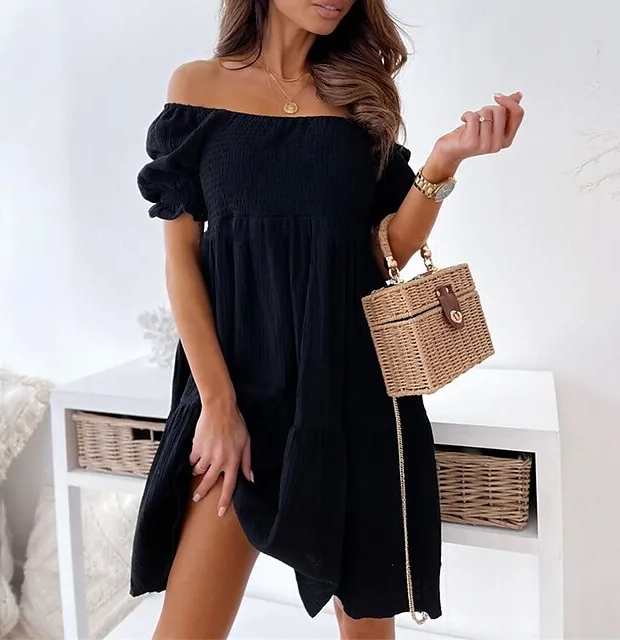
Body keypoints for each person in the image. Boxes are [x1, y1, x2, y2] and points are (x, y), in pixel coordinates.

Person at [130, 1, 524, 638]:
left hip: (349, 391)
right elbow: (182, 258)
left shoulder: (358, 95)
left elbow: (383, 253)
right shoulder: (197, 87)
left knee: (367, 629)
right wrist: (218, 406)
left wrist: (442, 163)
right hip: (238, 397)